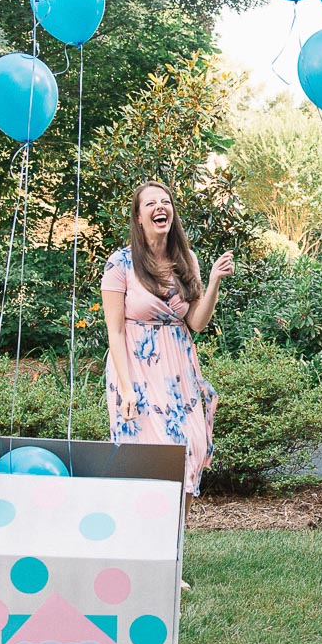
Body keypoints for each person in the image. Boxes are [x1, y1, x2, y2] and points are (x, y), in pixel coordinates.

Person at [101, 181, 234, 509]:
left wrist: (214, 280)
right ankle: (143, 542)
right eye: (151, 204)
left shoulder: (186, 259)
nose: (160, 207)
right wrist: (127, 389)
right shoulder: (119, 265)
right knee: (147, 456)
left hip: (178, 372)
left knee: (190, 447)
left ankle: (173, 544)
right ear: (138, 217)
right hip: (136, 371)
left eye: (166, 201)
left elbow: (196, 322)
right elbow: (115, 332)